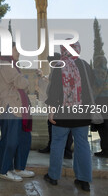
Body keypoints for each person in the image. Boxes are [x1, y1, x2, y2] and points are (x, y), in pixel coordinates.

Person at [44, 41, 93, 192]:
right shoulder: (85, 65)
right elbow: (93, 86)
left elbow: (54, 89)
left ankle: (53, 177)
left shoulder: (59, 65)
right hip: (82, 113)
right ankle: (84, 180)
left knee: (58, 144)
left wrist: (51, 111)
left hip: (62, 113)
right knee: (82, 145)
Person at [0, 42, 35, 182]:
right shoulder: (5, 64)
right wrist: (26, 80)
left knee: (24, 139)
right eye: (16, 49)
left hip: (18, 108)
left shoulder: (13, 65)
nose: (19, 52)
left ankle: (19, 168)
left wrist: (24, 81)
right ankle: (4, 170)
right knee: (10, 140)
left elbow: (22, 85)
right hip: (9, 107)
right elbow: (22, 84)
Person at [38, 54, 73, 159]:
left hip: (60, 104)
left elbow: (56, 89)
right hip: (60, 104)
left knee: (60, 127)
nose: (50, 64)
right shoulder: (57, 70)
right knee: (54, 126)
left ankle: (65, 151)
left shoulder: (59, 69)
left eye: (51, 62)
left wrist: (52, 106)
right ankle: (58, 149)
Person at [92, 55, 108, 158]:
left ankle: (105, 150)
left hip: (100, 101)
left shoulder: (96, 72)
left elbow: (95, 88)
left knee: (102, 127)